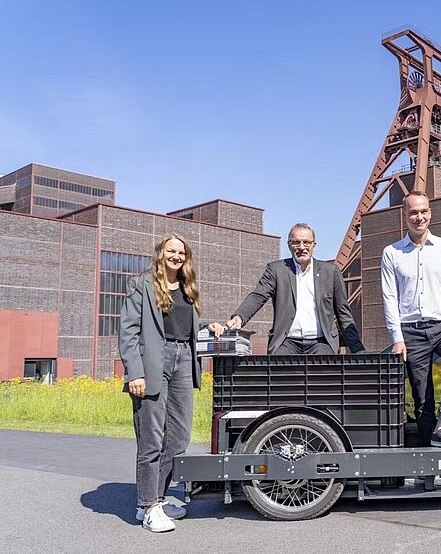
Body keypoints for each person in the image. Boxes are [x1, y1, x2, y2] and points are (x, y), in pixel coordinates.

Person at [119, 233, 217, 533]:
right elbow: (128, 331)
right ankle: (148, 507)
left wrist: (207, 326)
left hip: (184, 358)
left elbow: (182, 325)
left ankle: (157, 499)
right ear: (160, 253)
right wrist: (135, 373)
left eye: (181, 252)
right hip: (153, 362)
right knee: (151, 439)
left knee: (179, 437)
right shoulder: (142, 284)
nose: (176, 256)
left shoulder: (188, 287)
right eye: (171, 251)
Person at [381, 191, 441, 451]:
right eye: (413, 212)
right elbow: (389, 298)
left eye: (423, 211)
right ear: (405, 215)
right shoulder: (392, 253)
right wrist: (397, 339)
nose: (419, 217)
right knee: (422, 398)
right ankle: (430, 459)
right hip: (410, 332)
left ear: (430, 213)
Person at [213, 223, 363, 355]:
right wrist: (239, 317)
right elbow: (258, 295)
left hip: (321, 341)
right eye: (296, 242)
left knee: (324, 375)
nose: (302, 247)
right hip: (286, 341)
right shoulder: (276, 270)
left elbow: (343, 313)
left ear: (314, 245)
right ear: (289, 245)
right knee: (279, 374)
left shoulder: (331, 272)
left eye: (306, 242)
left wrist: (357, 349)